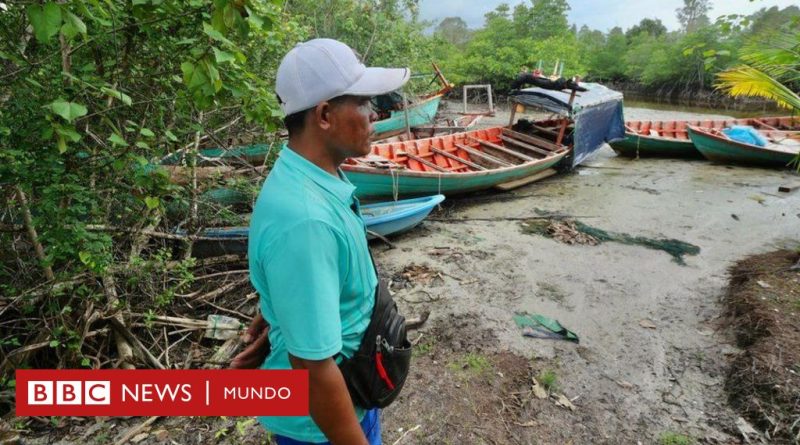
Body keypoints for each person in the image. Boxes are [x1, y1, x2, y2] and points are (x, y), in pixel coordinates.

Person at [231, 38, 410, 445]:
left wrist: (278, 317)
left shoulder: (312, 174)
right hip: (323, 426)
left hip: (342, 400)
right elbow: (313, 370)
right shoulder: (306, 220)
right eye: (364, 103)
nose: (375, 115)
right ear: (325, 114)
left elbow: (303, 281)